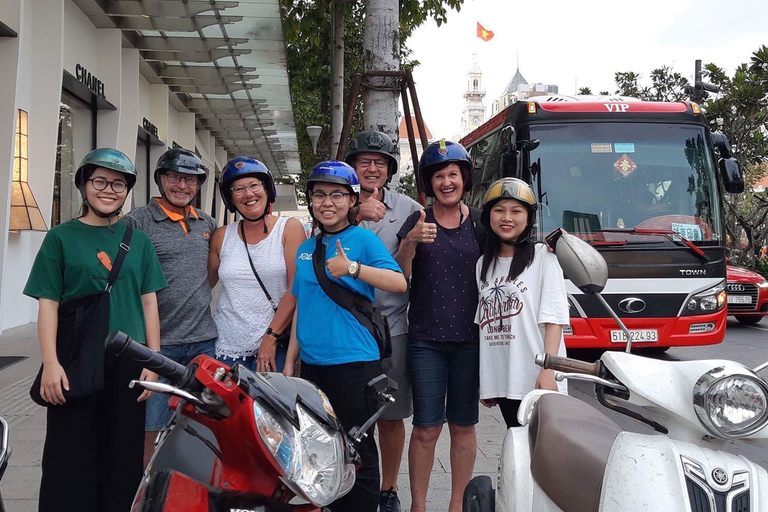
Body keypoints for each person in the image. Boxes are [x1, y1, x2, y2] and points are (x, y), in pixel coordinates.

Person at [23, 148, 167, 512]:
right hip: (75, 359)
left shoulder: (139, 241)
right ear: (84, 184)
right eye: (100, 181)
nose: (109, 190)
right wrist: (51, 364)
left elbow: (149, 302)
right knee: (69, 454)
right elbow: (48, 304)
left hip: (129, 361)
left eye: (118, 183)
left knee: (122, 454)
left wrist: (154, 358)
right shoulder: (60, 237)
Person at [283, 161, 407, 512]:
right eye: (319, 194)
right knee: (321, 448)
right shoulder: (307, 247)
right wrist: (292, 359)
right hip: (314, 368)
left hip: (354, 365)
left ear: (353, 201)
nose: (327, 202)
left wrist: (352, 268)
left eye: (337, 194)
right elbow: (302, 306)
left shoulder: (362, 240)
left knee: (359, 452)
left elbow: (398, 283)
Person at [396, 140, 483, 512]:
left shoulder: (481, 221)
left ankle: (457, 504)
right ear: (428, 183)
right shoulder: (416, 220)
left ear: (464, 178)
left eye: (453, 174)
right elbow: (399, 275)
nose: (446, 182)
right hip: (426, 340)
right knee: (426, 428)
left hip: (471, 339)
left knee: (463, 426)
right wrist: (410, 243)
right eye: (438, 177)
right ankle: (419, 505)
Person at [123, 148, 218, 464]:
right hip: (157, 347)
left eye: (191, 180)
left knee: (204, 424)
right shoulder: (137, 222)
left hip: (204, 344)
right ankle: (146, 490)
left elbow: (212, 275)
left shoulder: (207, 223)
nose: (183, 186)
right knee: (151, 426)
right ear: (161, 179)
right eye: (176, 177)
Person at [345, 130, 422, 512]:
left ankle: (388, 490)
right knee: (349, 416)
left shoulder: (409, 209)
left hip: (392, 329)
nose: (372, 168)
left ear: (390, 169)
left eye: (380, 162)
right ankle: (349, 485)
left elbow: (416, 268)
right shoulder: (337, 201)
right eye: (364, 162)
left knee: (390, 417)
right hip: (345, 330)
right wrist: (356, 213)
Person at [475, 178, 569, 428]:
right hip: (505, 380)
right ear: (488, 216)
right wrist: (489, 381)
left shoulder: (543, 258)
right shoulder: (482, 265)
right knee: (518, 447)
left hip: (538, 377)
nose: (507, 218)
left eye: (516, 211)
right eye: (499, 210)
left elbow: (554, 319)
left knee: (545, 454)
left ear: (528, 218)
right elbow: (485, 327)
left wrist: (548, 370)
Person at [208, 157, 305, 372]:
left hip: (274, 343)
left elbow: (296, 287)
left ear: (267, 189)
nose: (248, 194)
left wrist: (270, 339)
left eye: (254, 185)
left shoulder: (289, 228)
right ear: (230, 198)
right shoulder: (222, 236)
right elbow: (204, 284)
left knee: (266, 405)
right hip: (226, 344)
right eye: (239, 189)